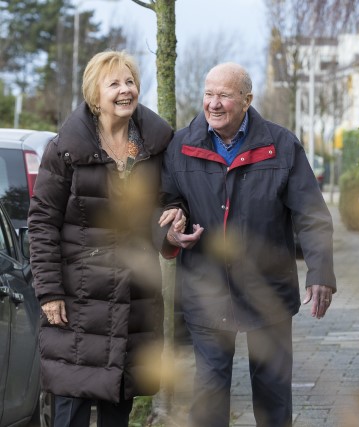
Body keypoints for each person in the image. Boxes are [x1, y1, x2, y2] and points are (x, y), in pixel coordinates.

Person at [158, 62, 336, 427]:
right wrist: (170, 230)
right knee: (208, 394)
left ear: (247, 99)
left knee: (272, 396)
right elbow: (164, 202)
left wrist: (320, 272)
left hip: (267, 291)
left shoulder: (281, 145)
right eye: (208, 94)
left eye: (224, 95)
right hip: (206, 291)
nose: (214, 103)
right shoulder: (180, 146)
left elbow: (312, 216)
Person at [27, 50, 174, 427]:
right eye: (115, 84)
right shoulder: (65, 150)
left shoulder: (154, 147)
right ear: (95, 95)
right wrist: (49, 291)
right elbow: (42, 221)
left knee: (117, 409)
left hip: (132, 297)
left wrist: (172, 230)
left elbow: (165, 206)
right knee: (72, 409)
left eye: (130, 82)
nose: (126, 91)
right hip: (78, 301)